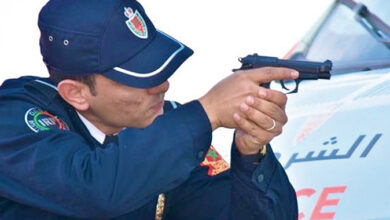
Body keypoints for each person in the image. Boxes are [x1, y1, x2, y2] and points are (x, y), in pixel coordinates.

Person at [0, 0, 298, 219]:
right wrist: (205, 113)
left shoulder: (168, 128)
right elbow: (96, 189)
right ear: (76, 94)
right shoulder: (13, 120)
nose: (163, 85)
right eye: (137, 77)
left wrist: (251, 154)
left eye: (157, 69)